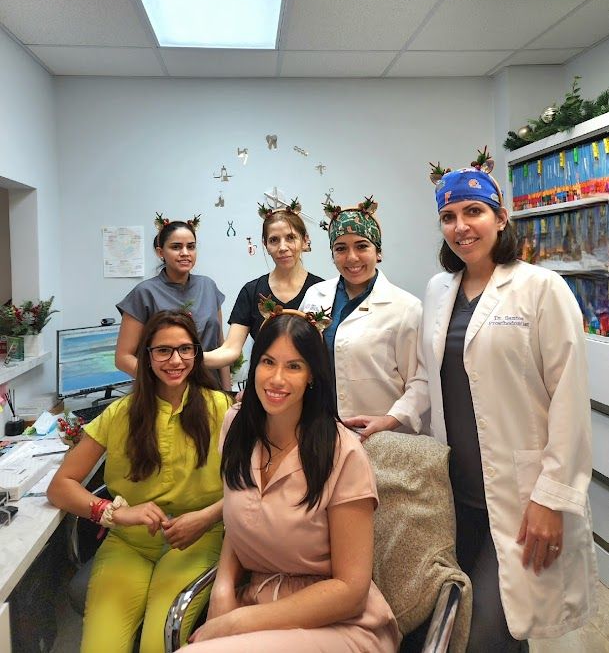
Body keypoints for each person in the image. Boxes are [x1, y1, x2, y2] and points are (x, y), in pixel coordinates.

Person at [415, 148, 597, 649]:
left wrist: (551, 497)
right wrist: (394, 419)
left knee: (488, 634)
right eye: (448, 217)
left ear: (500, 217)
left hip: (523, 498)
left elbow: (568, 399)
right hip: (457, 495)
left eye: (473, 211)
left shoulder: (541, 288)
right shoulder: (438, 290)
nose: (460, 226)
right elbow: (431, 380)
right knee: (454, 626)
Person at [187, 309, 400, 652]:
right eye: (268, 362)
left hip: (337, 622)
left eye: (294, 366)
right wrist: (223, 589)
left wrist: (236, 622)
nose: (276, 379)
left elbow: (350, 589)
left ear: (312, 375)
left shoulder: (342, 454)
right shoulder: (236, 426)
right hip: (255, 603)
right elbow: (242, 520)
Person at [48, 311, 231, 653]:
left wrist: (207, 517)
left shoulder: (223, 410)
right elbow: (61, 485)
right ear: (146, 356)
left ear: (196, 353)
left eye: (185, 349)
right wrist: (115, 513)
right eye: (163, 351)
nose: (175, 360)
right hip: (128, 544)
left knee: (156, 644)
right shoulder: (121, 413)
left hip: (196, 540)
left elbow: (251, 487)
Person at [300, 196, 425, 439]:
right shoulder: (315, 296)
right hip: (320, 430)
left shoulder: (406, 308)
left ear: (378, 251)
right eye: (341, 248)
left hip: (382, 436)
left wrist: (390, 420)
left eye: (362, 246)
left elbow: (421, 380)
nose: (352, 257)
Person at [203, 200, 323, 373]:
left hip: (310, 391)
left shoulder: (321, 290)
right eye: (274, 240)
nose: (283, 247)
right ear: (266, 245)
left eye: (290, 238)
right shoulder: (252, 292)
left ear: (305, 241)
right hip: (265, 387)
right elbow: (230, 350)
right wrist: (187, 356)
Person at [116, 214, 230, 390]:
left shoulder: (208, 287)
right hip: (164, 395)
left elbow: (220, 347)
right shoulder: (145, 293)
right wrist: (160, 380)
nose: (185, 253)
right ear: (161, 252)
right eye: (176, 247)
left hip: (210, 391)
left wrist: (227, 393)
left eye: (190, 247)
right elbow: (123, 358)